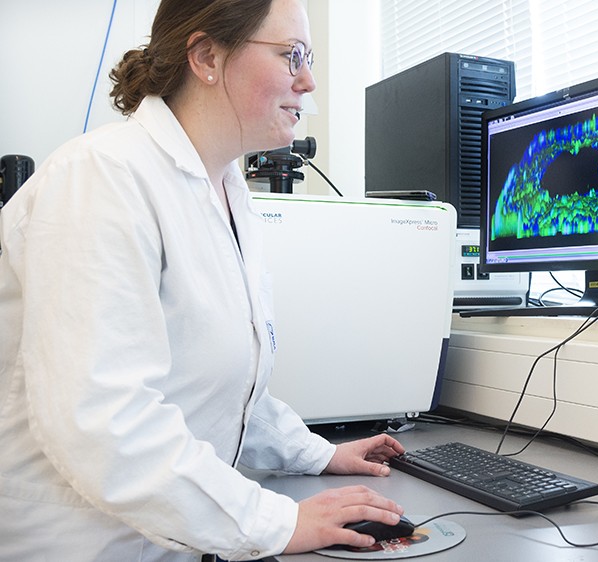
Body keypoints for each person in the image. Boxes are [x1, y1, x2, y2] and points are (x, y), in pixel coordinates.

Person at [0, 0, 408, 559]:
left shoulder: (228, 195)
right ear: (207, 56)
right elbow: (104, 424)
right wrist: (275, 521)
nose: (310, 81)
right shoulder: (100, 181)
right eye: (292, 56)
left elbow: (220, 385)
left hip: (172, 537)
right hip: (85, 544)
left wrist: (317, 454)